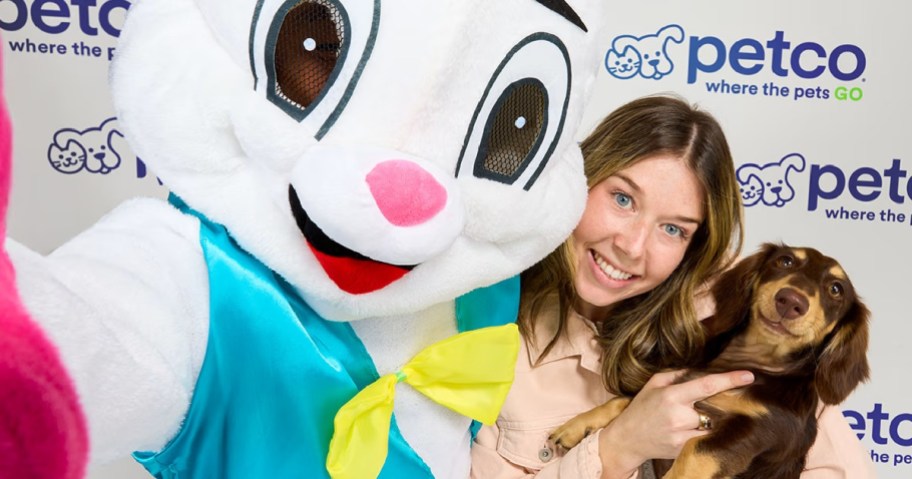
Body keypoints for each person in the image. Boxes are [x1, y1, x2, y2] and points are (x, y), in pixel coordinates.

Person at [470, 95, 875, 479]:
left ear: (694, 245)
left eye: (672, 229)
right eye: (623, 199)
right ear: (578, 178)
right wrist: (619, 446)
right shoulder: (481, 323)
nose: (632, 247)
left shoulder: (742, 311)